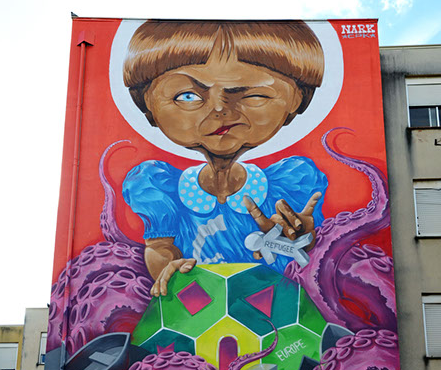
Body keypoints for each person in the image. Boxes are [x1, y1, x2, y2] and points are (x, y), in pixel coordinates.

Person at [122, 21, 328, 295]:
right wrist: (171, 269)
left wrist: (301, 237)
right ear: (146, 102)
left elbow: (303, 243)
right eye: (187, 96)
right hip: (198, 311)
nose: (220, 109)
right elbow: (160, 247)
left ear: (296, 99)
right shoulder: (159, 186)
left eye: (254, 94)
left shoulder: (291, 182)